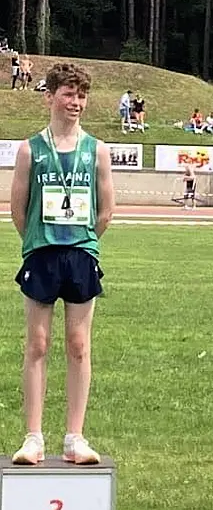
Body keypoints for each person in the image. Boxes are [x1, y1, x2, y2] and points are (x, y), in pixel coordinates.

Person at [9, 62, 115, 465]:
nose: (76, 103)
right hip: (41, 253)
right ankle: (33, 437)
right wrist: (39, 241)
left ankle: (75, 437)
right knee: (37, 344)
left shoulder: (96, 150)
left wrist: (83, 242)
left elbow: (106, 211)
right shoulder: (30, 149)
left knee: (78, 345)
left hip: (81, 254)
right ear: (50, 96)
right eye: (68, 94)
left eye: (81, 95)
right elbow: (18, 209)